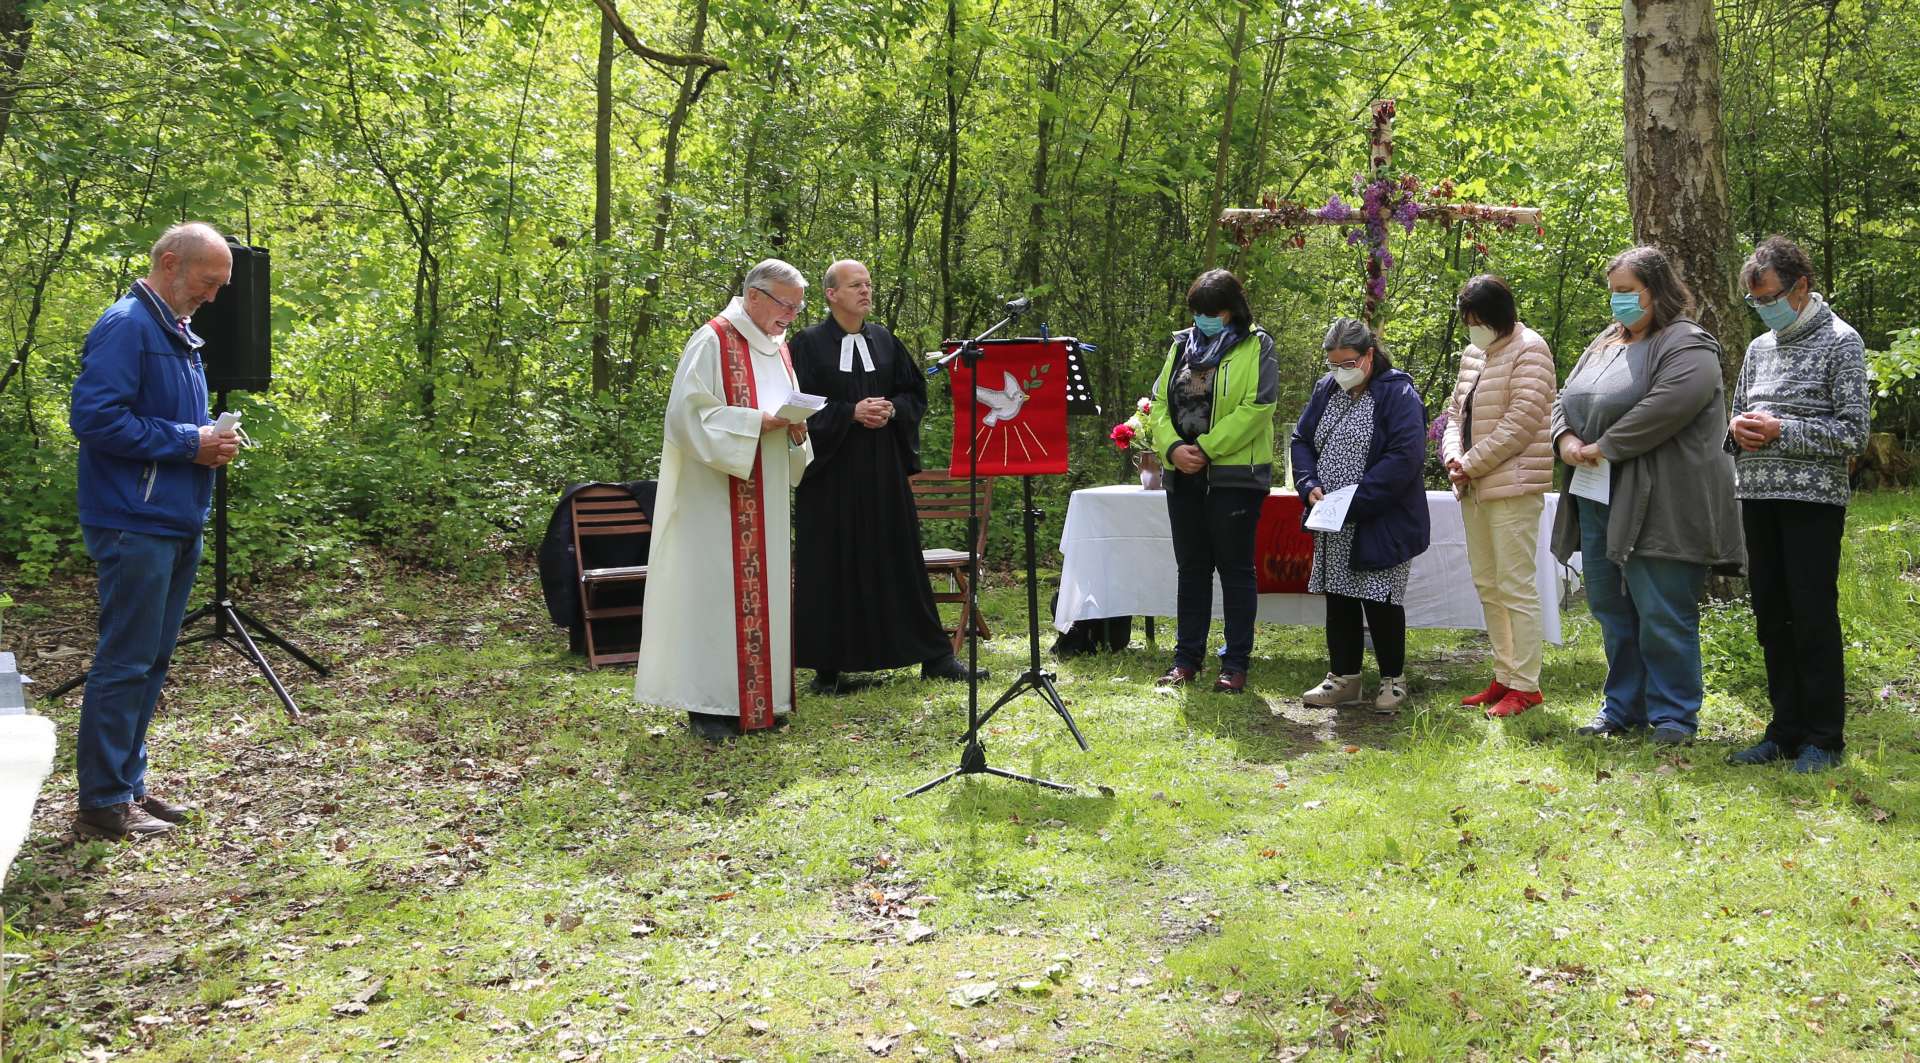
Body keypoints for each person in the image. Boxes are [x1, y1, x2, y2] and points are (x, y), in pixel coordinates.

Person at [68, 222, 238, 839]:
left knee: (153, 658)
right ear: (170, 264)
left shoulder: (176, 331)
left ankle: (128, 786)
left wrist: (209, 442)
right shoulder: (128, 326)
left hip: (172, 516)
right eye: (206, 281)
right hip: (132, 520)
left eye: (221, 285)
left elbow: (164, 424)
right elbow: (95, 419)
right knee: (126, 658)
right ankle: (102, 803)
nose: (213, 296)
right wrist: (190, 442)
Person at [1550, 245, 1744, 744]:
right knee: (1611, 605)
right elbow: (1563, 399)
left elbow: (1670, 404)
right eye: (1612, 293)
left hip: (1660, 500)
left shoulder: (1688, 344)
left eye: (1626, 293)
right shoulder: (1604, 342)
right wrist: (1567, 440)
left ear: (1656, 291)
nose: (1617, 302)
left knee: (1660, 608)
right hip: (1595, 493)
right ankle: (1623, 708)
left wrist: (1604, 445)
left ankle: (1674, 715)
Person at [635, 260, 813, 741]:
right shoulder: (712, 340)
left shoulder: (779, 350)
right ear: (755, 296)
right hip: (715, 498)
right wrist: (757, 423)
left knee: (766, 594)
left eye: (798, 307)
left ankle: (762, 701)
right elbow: (687, 418)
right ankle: (710, 707)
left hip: (766, 493)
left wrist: (796, 430)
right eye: (785, 304)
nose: (791, 316)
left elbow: (786, 408)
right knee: (715, 596)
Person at [788, 260, 980, 691]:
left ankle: (935, 657)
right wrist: (848, 413)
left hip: (882, 473)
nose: (866, 292)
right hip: (831, 478)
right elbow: (792, 407)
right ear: (831, 294)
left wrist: (892, 409)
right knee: (832, 565)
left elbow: (914, 392)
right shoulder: (807, 344)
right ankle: (830, 669)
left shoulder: (885, 340)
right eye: (856, 285)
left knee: (900, 560)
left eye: (869, 285)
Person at [1724, 236, 1869, 773]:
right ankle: (1783, 731)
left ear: (1801, 286)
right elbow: (1736, 416)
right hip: (1757, 495)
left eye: (1769, 296)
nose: (1763, 307)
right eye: (1754, 301)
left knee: (1810, 617)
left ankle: (1824, 738)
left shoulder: (1841, 341)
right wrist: (1735, 430)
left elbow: (1853, 433)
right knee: (1771, 615)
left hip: (1812, 501)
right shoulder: (1760, 347)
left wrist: (1784, 430)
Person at [1145, 269, 1279, 694]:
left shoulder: (1257, 345)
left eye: (1212, 312)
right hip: (1181, 476)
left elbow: (1257, 407)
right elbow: (1160, 405)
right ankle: (1186, 660)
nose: (1203, 319)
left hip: (1235, 477)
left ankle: (1235, 663)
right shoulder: (1181, 345)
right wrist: (1171, 450)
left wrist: (1205, 449)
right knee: (1192, 570)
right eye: (1198, 312)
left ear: (1232, 310)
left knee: (1236, 570)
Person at [1292, 318, 1431, 712]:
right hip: (1331, 520)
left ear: (1369, 355)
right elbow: (1302, 440)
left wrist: (1352, 503)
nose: (1340, 371)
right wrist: (1308, 484)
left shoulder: (1398, 393)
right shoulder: (1326, 389)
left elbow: (1404, 457)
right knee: (1338, 597)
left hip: (1378, 518)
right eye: (1333, 364)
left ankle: (1393, 680)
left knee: (1380, 597)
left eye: (1348, 363)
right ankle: (1344, 678)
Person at [1439, 276, 1558, 719]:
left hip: (1513, 485)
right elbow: (1455, 412)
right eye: (1468, 322)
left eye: (1479, 321)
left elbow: (1522, 421)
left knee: (1515, 587)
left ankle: (1526, 684)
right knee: (1488, 585)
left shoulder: (1531, 349)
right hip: (1474, 485)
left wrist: (1471, 462)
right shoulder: (1475, 353)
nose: (1474, 329)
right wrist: (1454, 456)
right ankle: (1504, 675)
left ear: (1499, 316)